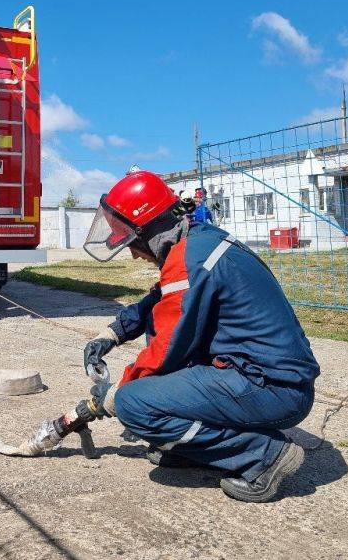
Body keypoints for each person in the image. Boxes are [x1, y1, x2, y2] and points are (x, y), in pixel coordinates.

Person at [81, 170, 319, 503]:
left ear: (150, 231)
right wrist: (111, 334)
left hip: (271, 388)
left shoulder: (188, 258)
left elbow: (167, 347)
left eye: (132, 242)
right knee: (156, 384)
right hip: (271, 378)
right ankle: (196, 449)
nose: (134, 253)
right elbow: (158, 300)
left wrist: (116, 394)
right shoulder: (199, 241)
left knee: (134, 405)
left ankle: (264, 454)